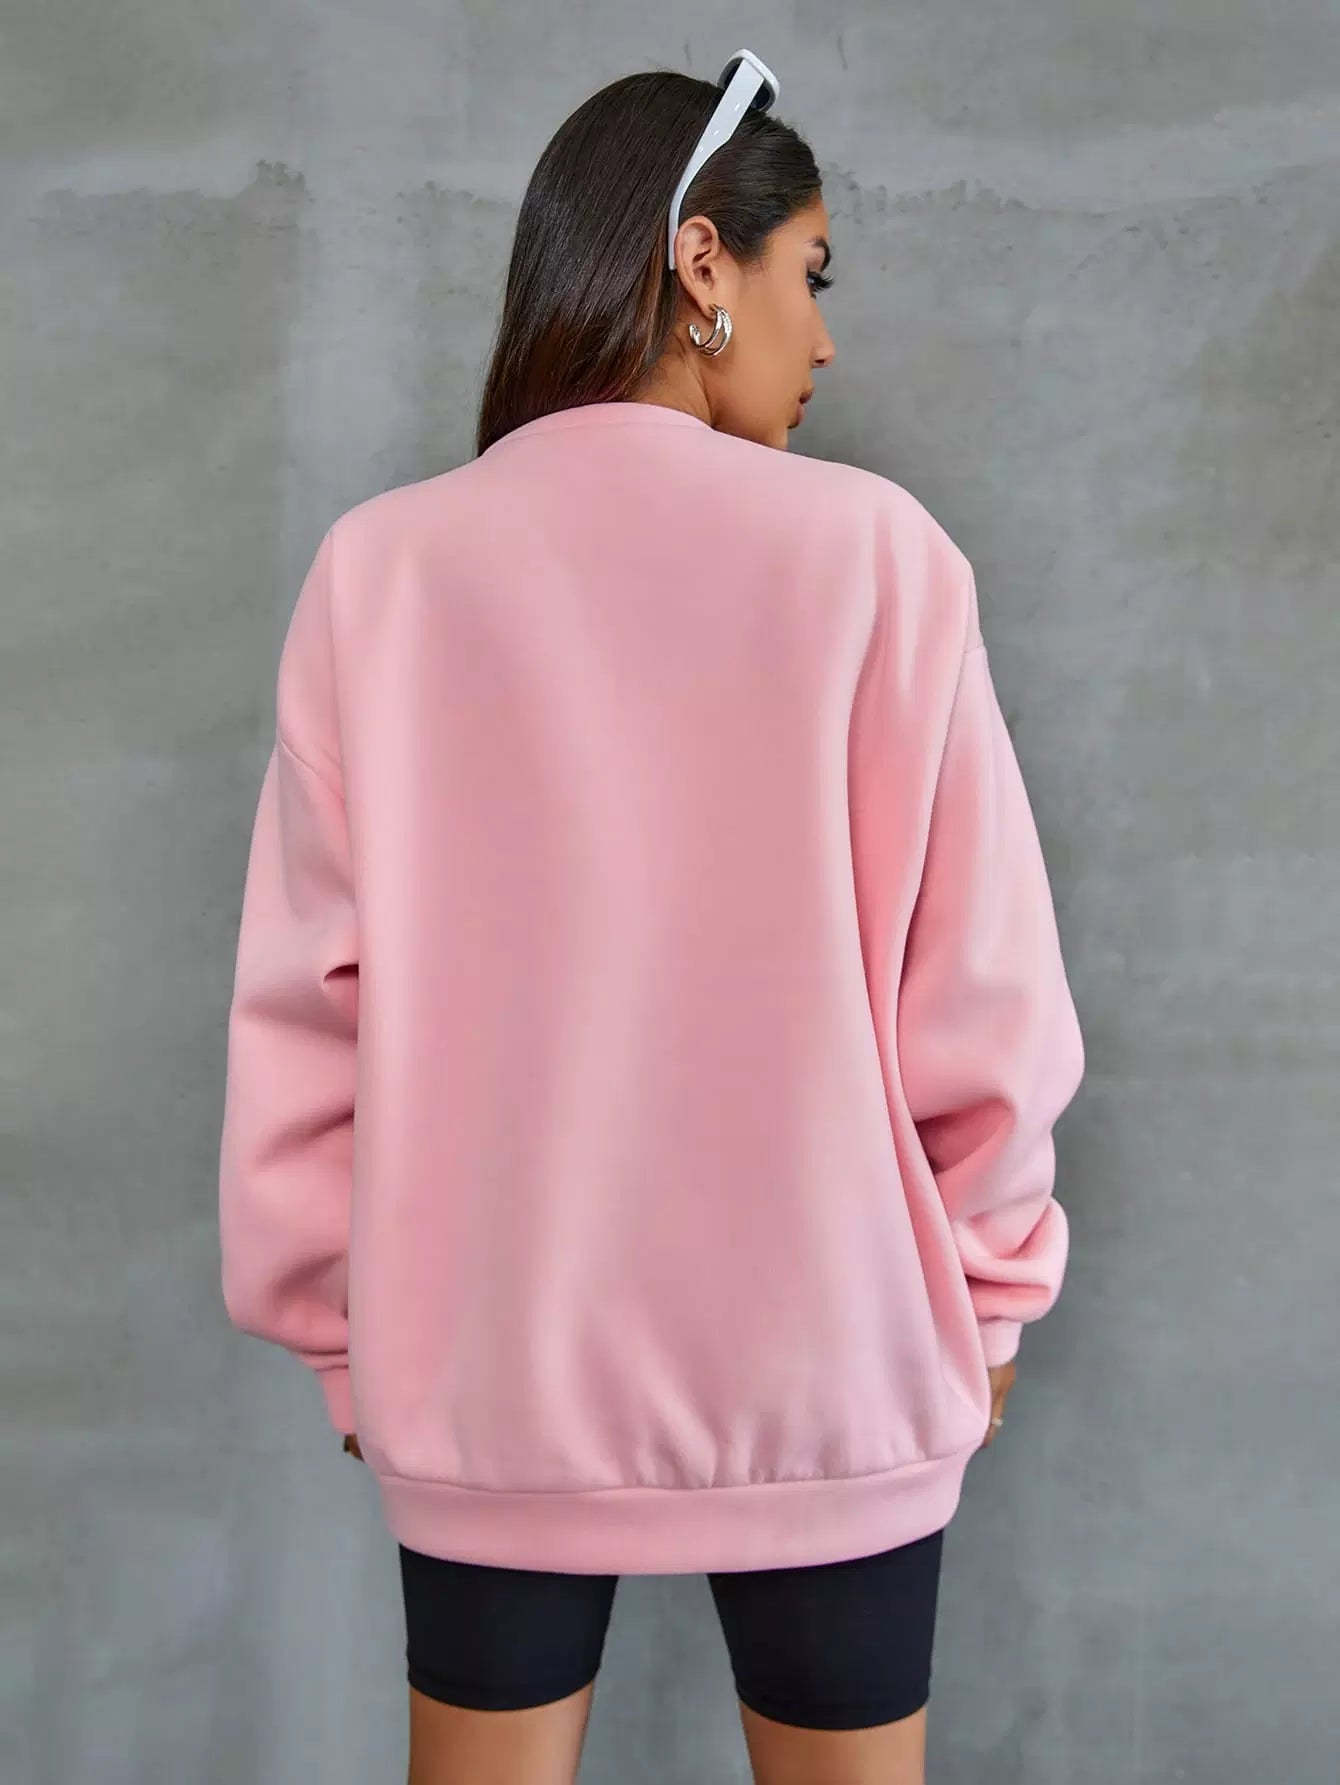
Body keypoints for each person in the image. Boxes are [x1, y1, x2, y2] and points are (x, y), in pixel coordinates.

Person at [217, 48, 1085, 1785]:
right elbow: (980, 997)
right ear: (704, 262)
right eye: (809, 271)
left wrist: (349, 1340)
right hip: (837, 1367)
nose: (821, 338)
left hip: (487, 1376)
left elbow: (310, 1017)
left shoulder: (383, 575)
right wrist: (990, 1297)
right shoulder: (882, 558)